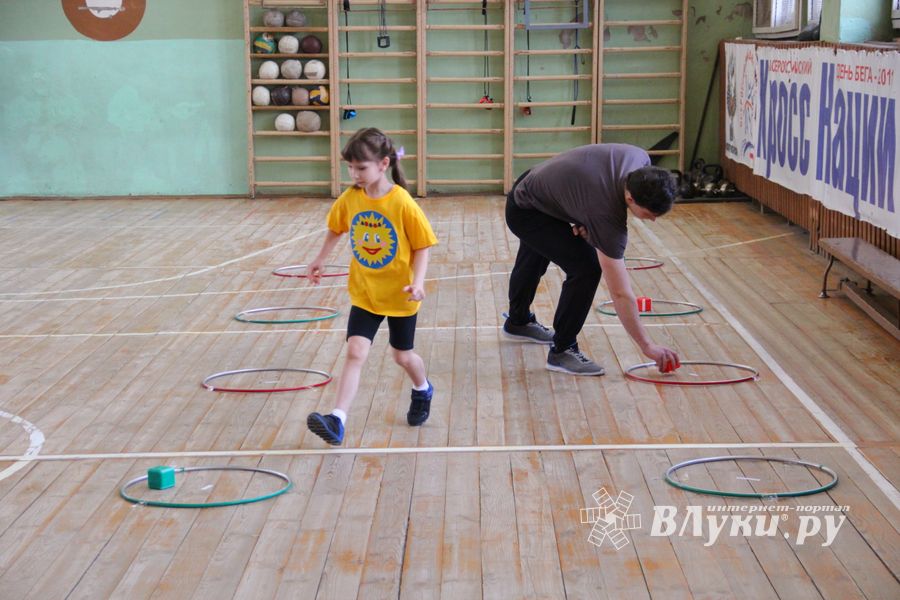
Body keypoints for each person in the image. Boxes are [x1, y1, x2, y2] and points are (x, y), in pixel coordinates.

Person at [306, 128, 438, 445]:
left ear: (383, 164)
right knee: (355, 351)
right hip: (365, 293)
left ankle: (422, 389)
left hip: (400, 296)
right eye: (350, 167)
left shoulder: (402, 202)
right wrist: (320, 259)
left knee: (402, 357)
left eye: (361, 167)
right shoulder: (351, 198)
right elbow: (336, 228)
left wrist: (418, 283)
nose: (355, 174)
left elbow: (423, 246)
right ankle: (337, 419)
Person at [503, 143, 681, 376]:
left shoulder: (640, 160)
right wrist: (647, 345)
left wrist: (580, 213)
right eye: (649, 214)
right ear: (629, 197)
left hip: (541, 183)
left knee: (537, 252)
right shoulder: (606, 215)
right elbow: (620, 292)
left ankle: (519, 322)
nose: (654, 220)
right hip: (527, 206)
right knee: (586, 268)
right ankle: (562, 350)